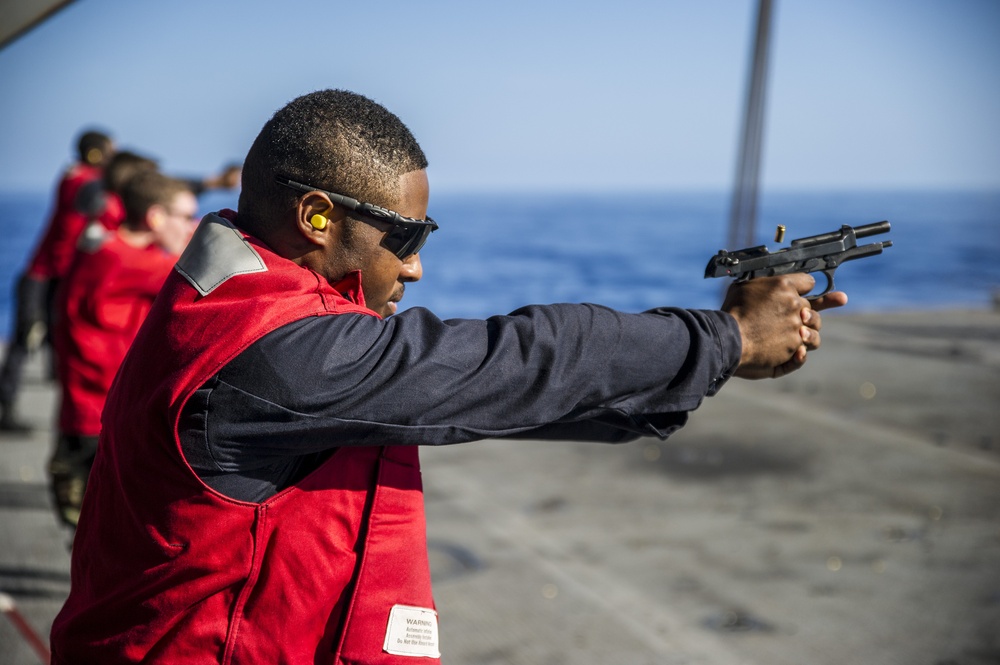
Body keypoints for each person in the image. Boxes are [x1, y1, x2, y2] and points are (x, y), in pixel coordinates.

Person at [50, 89, 847, 663]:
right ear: (317, 216)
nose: (419, 265)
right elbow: (520, 359)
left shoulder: (226, 303)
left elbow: (492, 394)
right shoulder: (273, 356)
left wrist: (713, 354)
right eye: (406, 234)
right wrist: (727, 337)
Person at [48, 171, 197, 529]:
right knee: (102, 526)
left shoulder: (111, 248)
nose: (193, 226)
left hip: (93, 410)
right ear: (155, 217)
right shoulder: (124, 260)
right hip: (96, 416)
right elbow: (197, 276)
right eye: (186, 216)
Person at [0, 130, 114, 431]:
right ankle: (6, 409)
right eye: (109, 152)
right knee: (25, 340)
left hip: (57, 277)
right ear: (95, 154)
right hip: (43, 276)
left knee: (56, 337)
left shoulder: (79, 179)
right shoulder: (81, 182)